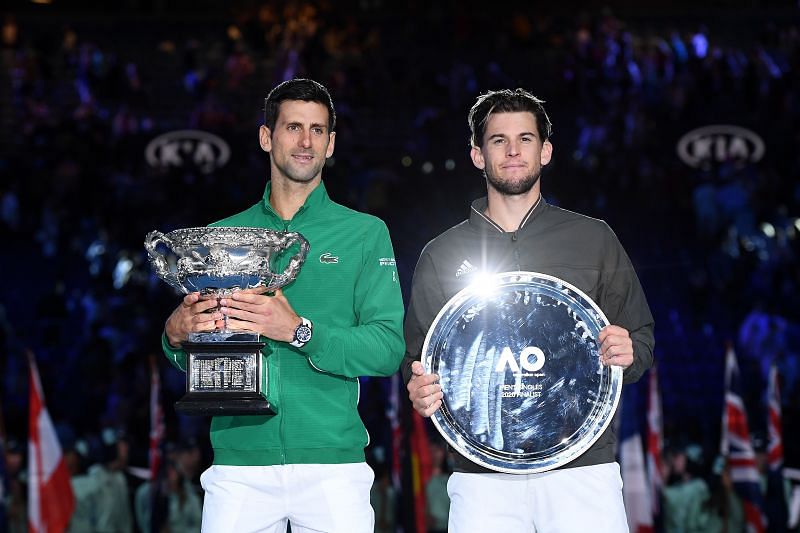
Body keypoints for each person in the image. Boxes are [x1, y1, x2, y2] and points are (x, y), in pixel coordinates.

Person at [402, 88, 655, 532]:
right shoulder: (442, 254)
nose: (514, 150)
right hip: (483, 477)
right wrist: (418, 387)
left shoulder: (593, 238)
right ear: (478, 155)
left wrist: (627, 350)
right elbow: (417, 359)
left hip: (582, 470)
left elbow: (642, 340)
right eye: (498, 140)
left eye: (525, 138)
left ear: (546, 151)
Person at [161, 78, 405, 533]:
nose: (305, 141)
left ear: (331, 144)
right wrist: (176, 336)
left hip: (333, 464)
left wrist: (297, 330)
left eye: (317, 130)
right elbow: (198, 352)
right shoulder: (221, 237)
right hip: (239, 465)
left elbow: (388, 349)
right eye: (293, 127)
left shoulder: (365, 233)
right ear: (266, 136)